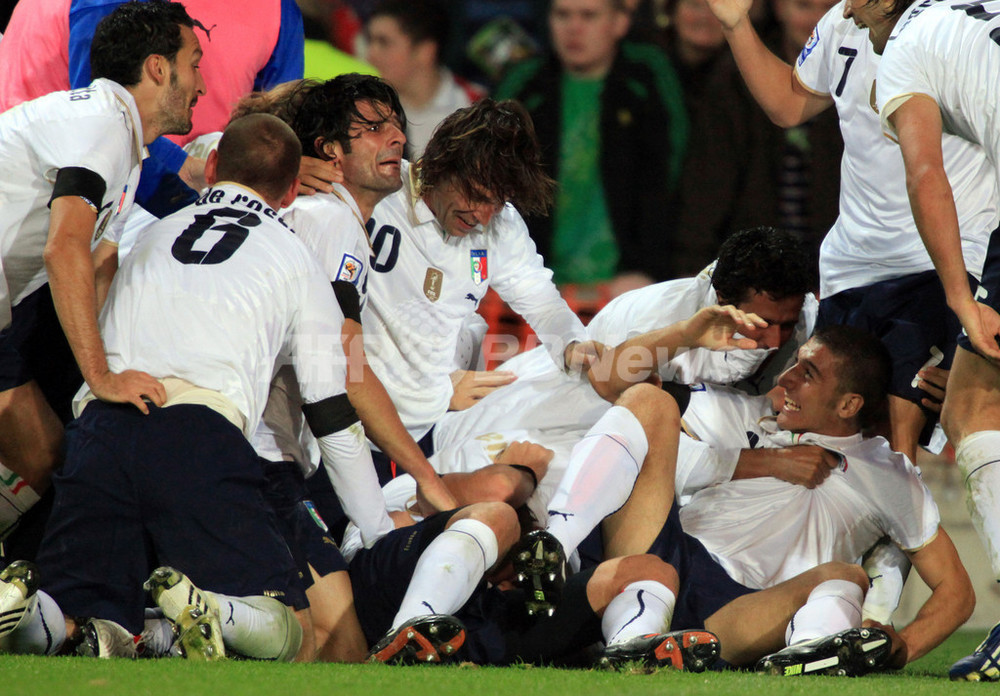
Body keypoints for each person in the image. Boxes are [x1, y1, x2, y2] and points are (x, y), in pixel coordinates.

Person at [0, 113, 393, 662]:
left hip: (102, 431)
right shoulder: (299, 261)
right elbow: (332, 414)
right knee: (293, 632)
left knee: (82, 624)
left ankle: (25, 611)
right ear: (286, 197)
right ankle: (213, 609)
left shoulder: (154, 235)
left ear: (211, 167)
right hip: (199, 438)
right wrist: (376, 532)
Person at [529, 325, 974, 673]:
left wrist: (902, 648)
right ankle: (554, 544)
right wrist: (764, 461)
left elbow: (956, 592)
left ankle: (813, 657)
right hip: (670, 554)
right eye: (795, 364)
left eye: (808, 373)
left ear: (847, 405)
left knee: (845, 576)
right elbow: (651, 446)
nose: (786, 378)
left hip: (741, 609)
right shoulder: (755, 419)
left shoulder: (888, 473)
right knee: (649, 400)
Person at [702, 0, 997, 467]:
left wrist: (960, 294)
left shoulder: (950, 31)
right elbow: (788, 103)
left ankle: (912, 536)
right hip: (850, 268)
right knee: (829, 435)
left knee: (900, 441)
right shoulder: (846, 19)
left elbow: (926, 173)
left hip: (939, 263)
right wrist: (735, 25)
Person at [0, 0, 205, 541]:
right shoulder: (103, 126)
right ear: (159, 69)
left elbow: (97, 263)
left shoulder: (128, 143)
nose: (203, 83)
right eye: (195, 61)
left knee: (71, 450)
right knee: (48, 457)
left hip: (12, 304)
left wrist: (108, 368)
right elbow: (64, 249)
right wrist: (102, 377)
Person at [873, 0, 1000, 681]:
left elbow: (926, 172)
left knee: (972, 406)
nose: (846, 11)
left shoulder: (907, 45)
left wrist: (959, 299)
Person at [361, 98, 597, 459]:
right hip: (360, 423)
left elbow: (541, 299)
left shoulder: (502, 227)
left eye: (498, 203)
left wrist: (571, 343)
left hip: (438, 423)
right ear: (442, 165)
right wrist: (437, 393)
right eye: (477, 197)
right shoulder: (376, 196)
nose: (485, 218)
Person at [0, 0, 307, 217]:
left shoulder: (280, 11)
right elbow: (102, 119)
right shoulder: (106, 9)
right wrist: (186, 196)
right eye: (195, 66)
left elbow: (276, 127)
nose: (202, 86)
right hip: (40, 196)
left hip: (138, 184)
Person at [494, 0, 688, 288]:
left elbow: (671, 178)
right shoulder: (523, 82)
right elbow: (492, 181)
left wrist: (650, 270)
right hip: (533, 282)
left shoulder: (649, 74)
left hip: (628, 283)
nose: (574, 28)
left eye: (588, 16)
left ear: (620, 22)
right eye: (562, 15)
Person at [673, 0, 843, 276]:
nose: (816, 19)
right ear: (779, 8)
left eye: (827, 8)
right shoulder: (733, 78)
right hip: (753, 273)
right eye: (804, 6)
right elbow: (707, 188)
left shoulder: (866, 74)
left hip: (838, 269)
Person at [364, 0, 487, 160]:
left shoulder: (475, 107)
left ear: (425, 51)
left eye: (384, 42)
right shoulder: (367, 112)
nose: (371, 55)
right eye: (370, 41)